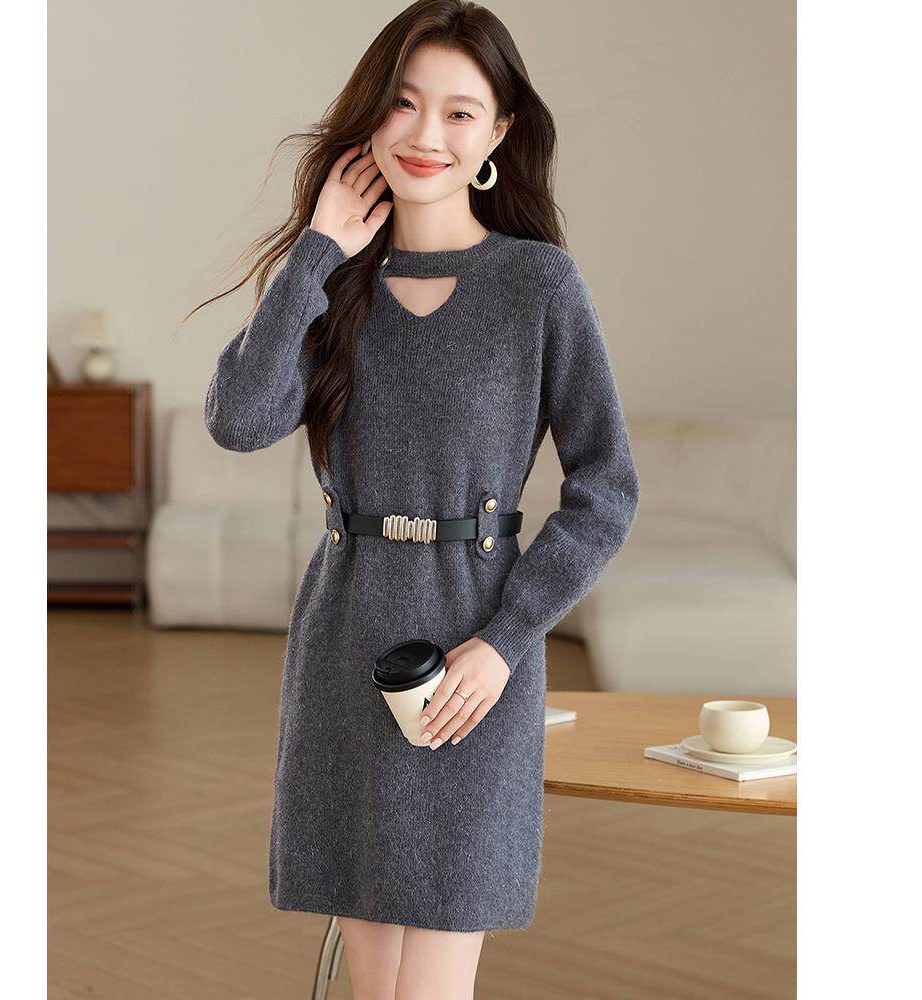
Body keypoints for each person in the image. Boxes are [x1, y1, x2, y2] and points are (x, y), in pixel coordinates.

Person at [192, 2, 640, 997]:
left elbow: (606, 488)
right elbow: (240, 421)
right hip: (348, 645)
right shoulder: (332, 284)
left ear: (499, 134)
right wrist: (316, 251)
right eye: (403, 103)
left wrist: (505, 641)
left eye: (459, 112)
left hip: (474, 662)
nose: (426, 134)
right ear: (370, 116)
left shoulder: (538, 286)